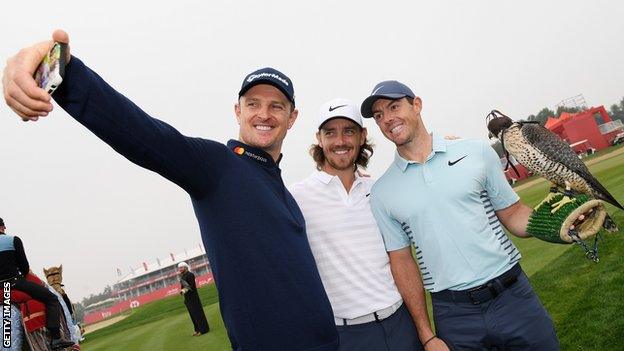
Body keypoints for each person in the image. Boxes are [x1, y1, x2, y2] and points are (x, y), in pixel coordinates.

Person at [2, 30, 338, 351]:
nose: (264, 114)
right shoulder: (217, 166)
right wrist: (56, 66)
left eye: (276, 106)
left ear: (292, 118)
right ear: (238, 110)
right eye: (253, 104)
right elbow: (140, 133)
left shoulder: (281, 188)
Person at [359, 80, 560, 350]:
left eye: (394, 107)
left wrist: (556, 224)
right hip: (454, 315)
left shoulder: (475, 151)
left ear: (416, 104)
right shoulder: (383, 192)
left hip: (514, 297)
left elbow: (513, 213)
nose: (387, 119)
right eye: (379, 115)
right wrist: (426, 335)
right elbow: (402, 262)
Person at [289, 99, 424, 351]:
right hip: (348, 336)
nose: (340, 141)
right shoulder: (297, 197)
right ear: (319, 138)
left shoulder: (380, 190)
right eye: (330, 132)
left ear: (362, 136)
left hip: (400, 322)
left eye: (349, 131)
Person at [0, 218, 75, 350]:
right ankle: (56, 338)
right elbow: (24, 267)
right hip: (15, 283)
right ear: (3, 228)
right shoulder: (13, 240)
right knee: (52, 298)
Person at [178, 262, 210, 336]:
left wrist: (183, 290)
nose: (180, 269)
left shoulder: (190, 275)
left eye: (181, 267)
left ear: (185, 267)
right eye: (179, 268)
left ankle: (203, 329)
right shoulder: (182, 276)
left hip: (193, 298)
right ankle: (197, 329)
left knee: (197, 313)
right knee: (192, 315)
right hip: (187, 298)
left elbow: (191, 286)